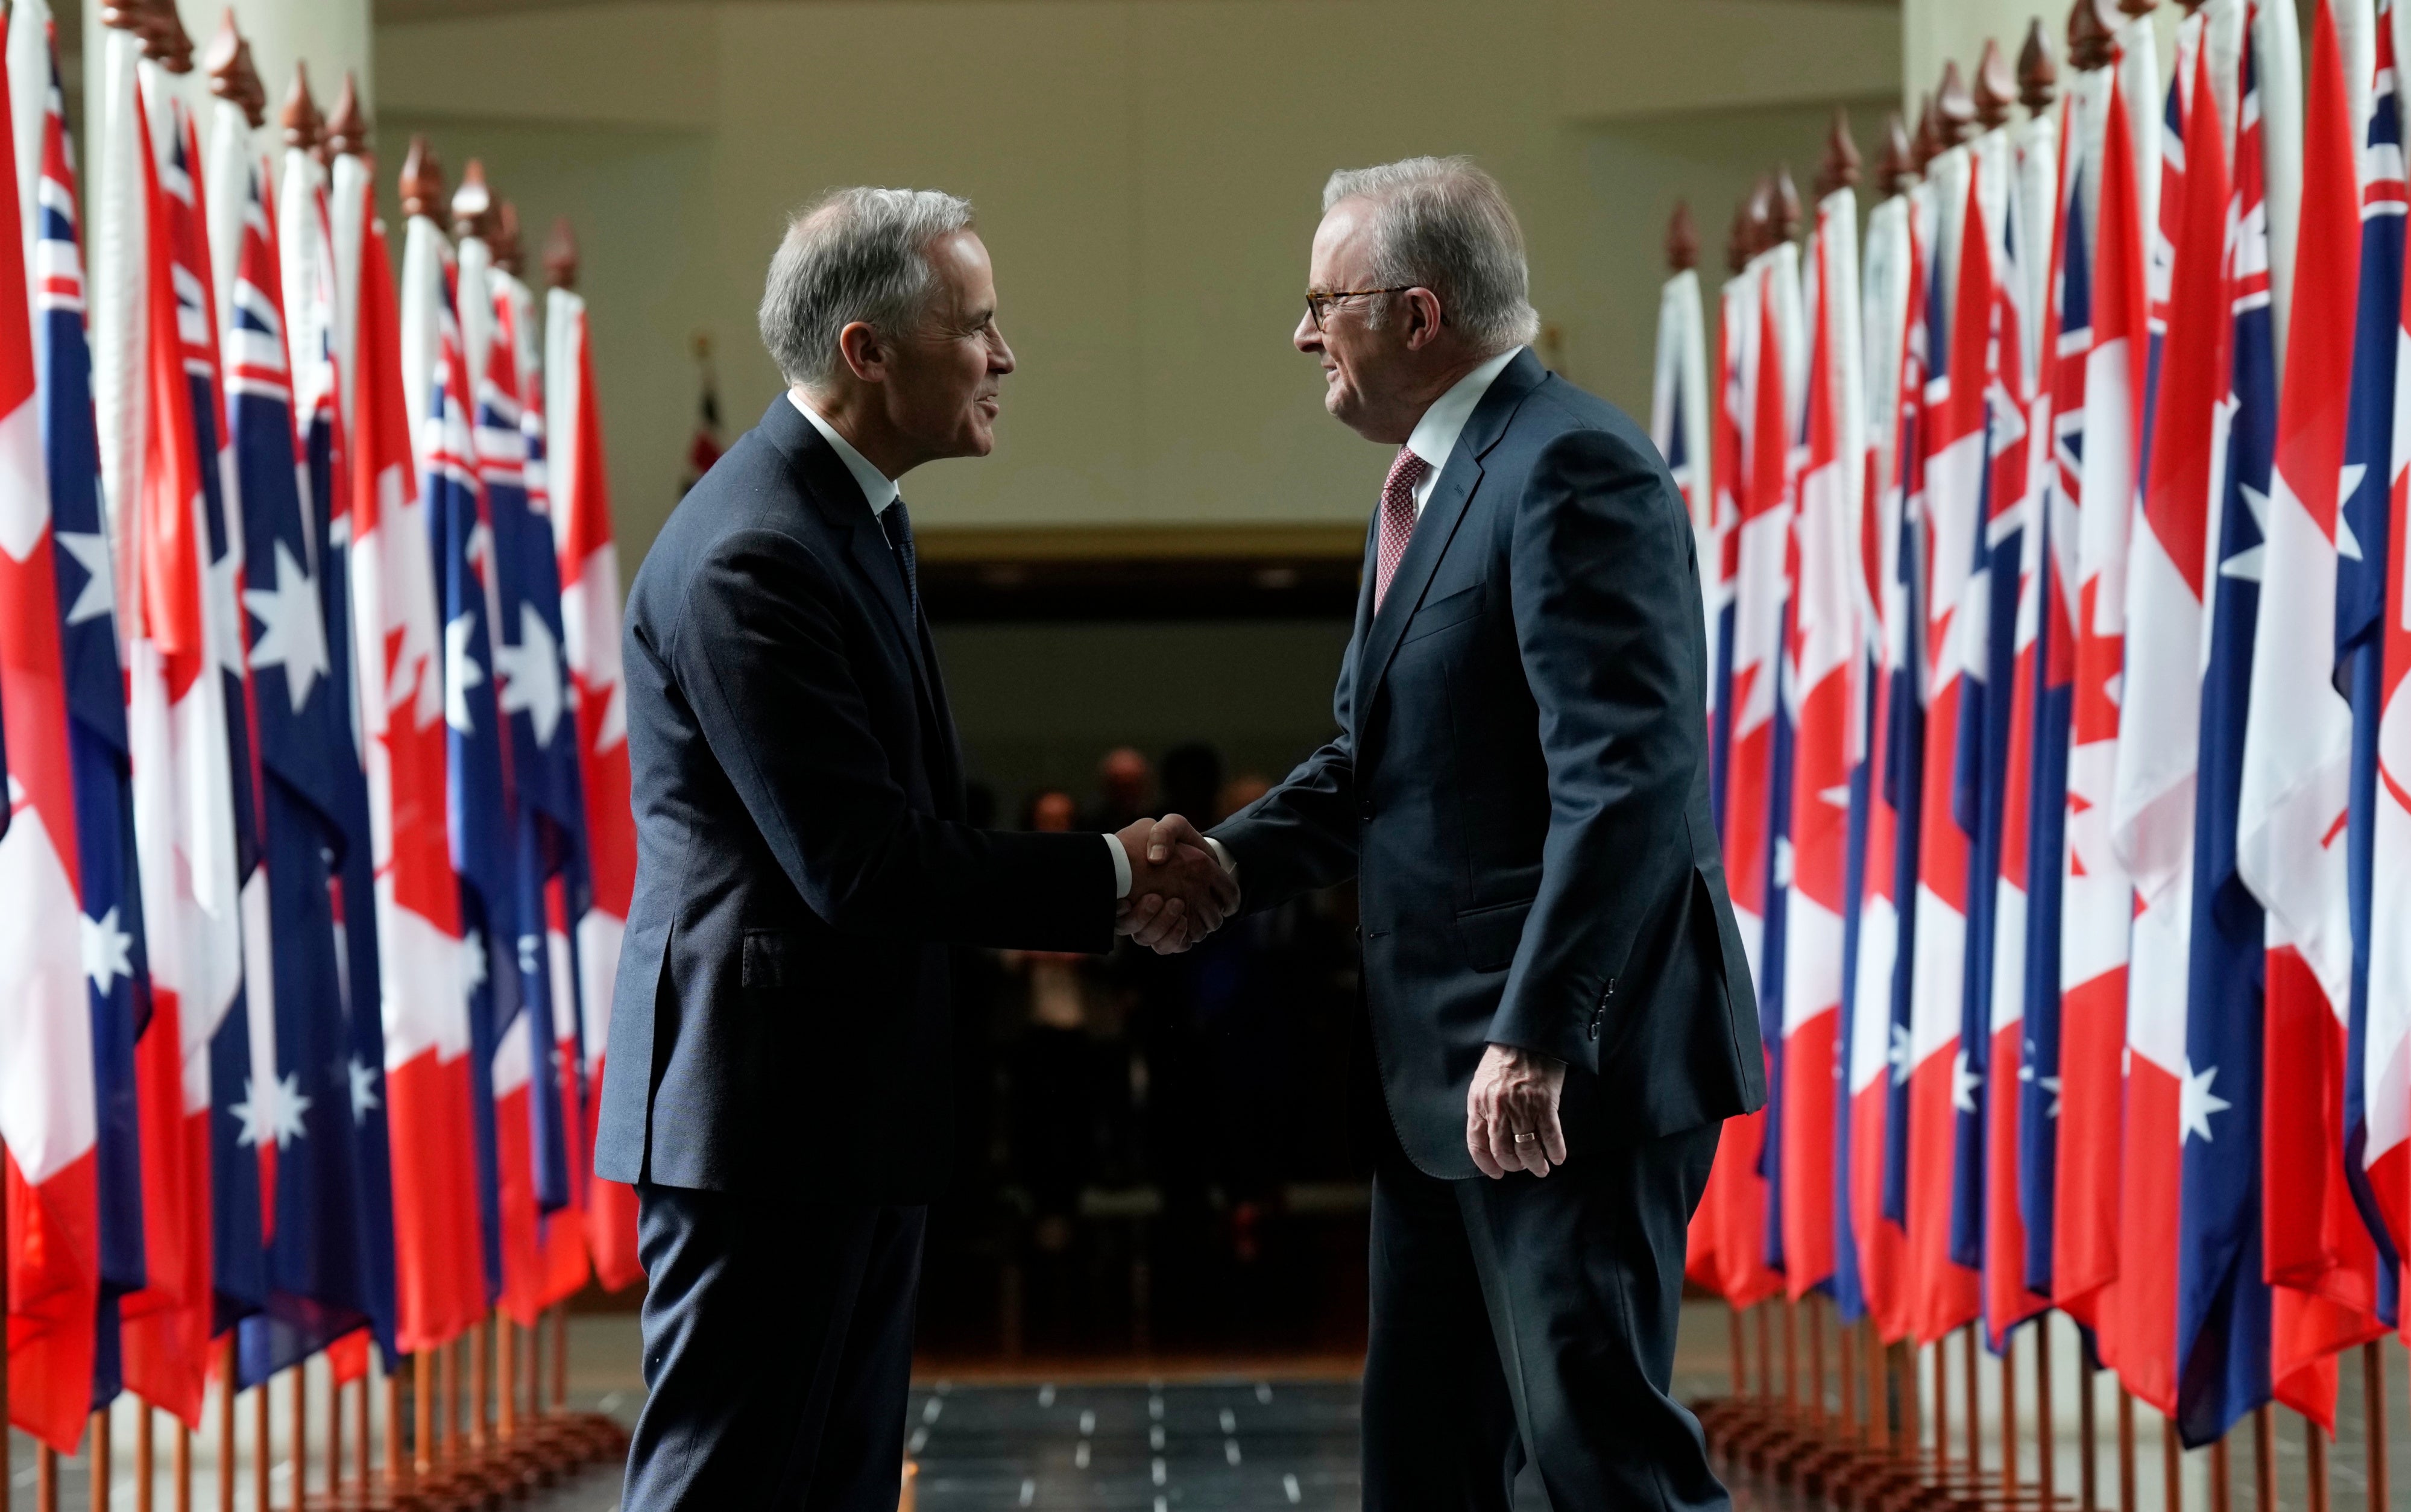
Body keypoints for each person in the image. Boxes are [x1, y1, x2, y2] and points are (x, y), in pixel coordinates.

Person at [597, 187, 1235, 1511]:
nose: (1005, 357)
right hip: (765, 1126)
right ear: (865, 350)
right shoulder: (754, 553)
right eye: (978, 325)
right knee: (729, 1487)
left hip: (837, 1109)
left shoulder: (848, 522)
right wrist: (1115, 876)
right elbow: (865, 863)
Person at [1144, 156, 1762, 1511]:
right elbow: (1380, 768)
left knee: (1596, 1462)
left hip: (1560, 1077)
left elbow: (1627, 780)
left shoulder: (1569, 465)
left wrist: (1539, 1032)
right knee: (1425, 1460)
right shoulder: (1435, 485)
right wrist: (1227, 863)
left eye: (1324, 301)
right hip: (1441, 1080)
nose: (1302, 333)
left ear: (1417, 316)